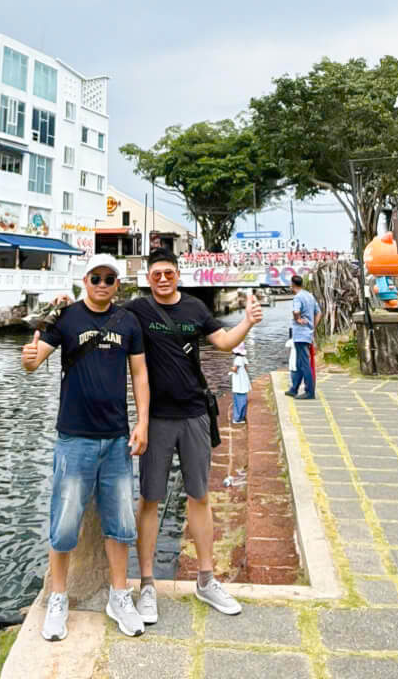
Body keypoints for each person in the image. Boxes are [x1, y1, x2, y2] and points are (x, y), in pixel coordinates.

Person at [126, 249, 263, 626]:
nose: (163, 279)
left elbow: (223, 343)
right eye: (156, 274)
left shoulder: (195, 308)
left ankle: (206, 578)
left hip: (194, 414)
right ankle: (148, 584)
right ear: (148, 278)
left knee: (199, 496)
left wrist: (248, 321)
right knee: (149, 498)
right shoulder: (137, 310)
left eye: (168, 273)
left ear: (178, 274)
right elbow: (104, 321)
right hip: (155, 419)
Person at [21, 254, 150, 643]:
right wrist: (29, 359)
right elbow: (36, 360)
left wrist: (142, 422)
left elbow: (139, 373)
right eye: (96, 277)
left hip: (116, 438)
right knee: (64, 523)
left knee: (121, 523)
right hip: (74, 437)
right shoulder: (67, 317)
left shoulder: (128, 322)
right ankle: (58, 598)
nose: (102, 284)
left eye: (110, 279)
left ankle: (119, 596)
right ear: (85, 280)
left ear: (117, 284)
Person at [286, 273, 320, 400]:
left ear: (293, 284)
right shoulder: (309, 296)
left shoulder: (298, 297)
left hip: (300, 334)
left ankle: (309, 392)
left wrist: (298, 319)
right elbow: (319, 313)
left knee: (305, 364)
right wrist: (313, 327)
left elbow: (296, 311)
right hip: (308, 333)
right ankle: (294, 389)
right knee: (300, 363)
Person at [230, 343, 251, 424]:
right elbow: (246, 369)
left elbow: (235, 369)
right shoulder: (243, 358)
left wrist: (231, 369)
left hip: (239, 382)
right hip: (244, 381)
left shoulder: (237, 359)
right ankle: (241, 417)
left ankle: (237, 419)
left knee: (237, 400)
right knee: (243, 400)